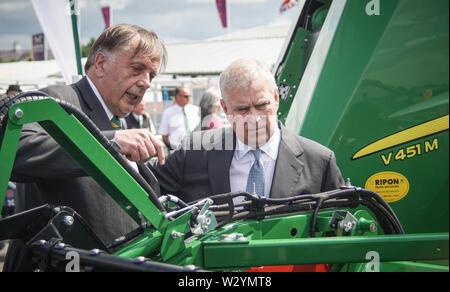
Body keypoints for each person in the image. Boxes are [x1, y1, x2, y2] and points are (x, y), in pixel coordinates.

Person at [4, 23, 167, 271]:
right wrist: (110, 142)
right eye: (137, 69)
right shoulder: (58, 100)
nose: (145, 83)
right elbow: (16, 148)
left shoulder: (123, 121)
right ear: (100, 63)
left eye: (151, 75)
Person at [150, 58, 344, 203]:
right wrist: (118, 140)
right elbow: (139, 190)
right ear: (224, 108)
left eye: (261, 105)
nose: (254, 118)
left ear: (276, 98)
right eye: (242, 109)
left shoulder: (319, 162)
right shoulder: (193, 153)